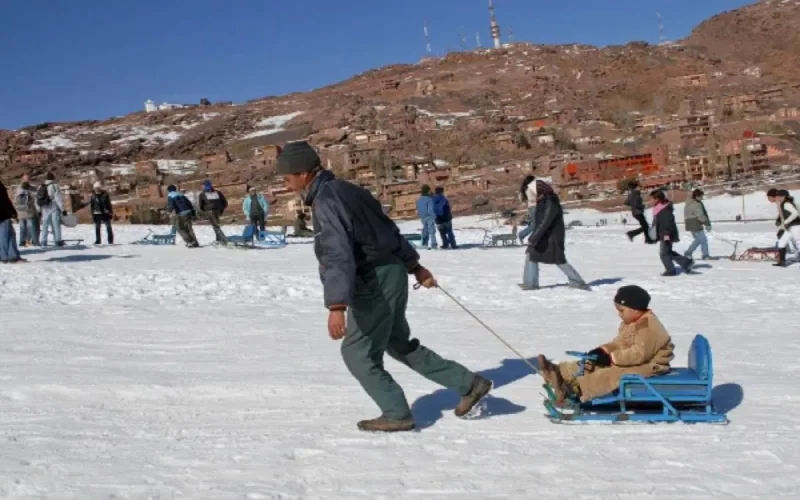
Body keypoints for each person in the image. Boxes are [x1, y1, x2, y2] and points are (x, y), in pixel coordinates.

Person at [276, 140, 491, 432]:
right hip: (393, 273)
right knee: (398, 343)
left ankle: (396, 412)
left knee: (357, 353)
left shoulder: (326, 201)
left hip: (373, 280)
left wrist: (336, 305)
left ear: (302, 173)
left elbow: (336, 254)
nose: (288, 186)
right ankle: (469, 384)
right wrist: (413, 266)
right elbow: (388, 230)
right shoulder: (350, 190)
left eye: (288, 179)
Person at [537, 285, 674, 406]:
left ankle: (575, 389)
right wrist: (602, 350)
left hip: (651, 365)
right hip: (634, 360)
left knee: (613, 373)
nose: (619, 314)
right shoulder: (632, 323)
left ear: (636, 310)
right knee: (592, 362)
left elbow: (638, 354)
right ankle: (559, 372)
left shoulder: (648, 328)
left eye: (622, 310)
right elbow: (619, 343)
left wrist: (611, 358)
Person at [521, 180, 589, 290]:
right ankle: (530, 283)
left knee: (559, 260)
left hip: (553, 237)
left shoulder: (551, 202)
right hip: (543, 235)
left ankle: (578, 281)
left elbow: (545, 222)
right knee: (531, 254)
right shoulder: (542, 202)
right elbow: (538, 222)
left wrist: (534, 236)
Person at [649, 189, 693, 276]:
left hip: (666, 234)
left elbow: (667, 223)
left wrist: (666, 235)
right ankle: (686, 262)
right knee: (667, 252)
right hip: (664, 233)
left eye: (651, 199)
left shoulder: (663, 209)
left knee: (664, 253)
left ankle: (671, 271)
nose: (650, 201)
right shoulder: (659, 208)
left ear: (657, 199)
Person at [772, 189, 800, 267]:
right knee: (782, 243)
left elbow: (795, 213)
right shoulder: (784, 203)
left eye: (779, 196)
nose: (778, 197)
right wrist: (782, 227)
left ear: (784, 196)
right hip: (790, 227)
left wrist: (786, 222)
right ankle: (782, 262)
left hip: (796, 226)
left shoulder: (786, 203)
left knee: (798, 243)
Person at [36, 172, 65, 247]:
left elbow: (38, 199)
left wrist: (38, 210)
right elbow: (58, 198)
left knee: (45, 224)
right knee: (56, 224)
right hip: (53, 206)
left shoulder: (41, 187)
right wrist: (63, 209)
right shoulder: (55, 186)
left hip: (44, 207)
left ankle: (43, 241)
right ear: (53, 178)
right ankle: (58, 240)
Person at [0, 180, 24, 263]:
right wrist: (10, 212)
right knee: (5, 236)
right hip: (3, 214)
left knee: (10, 234)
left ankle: (12, 255)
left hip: (4, 214)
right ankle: (5, 256)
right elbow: (3, 201)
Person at [683, 188, 711, 260]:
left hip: (689, 223)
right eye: (701, 196)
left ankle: (688, 252)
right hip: (695, 223)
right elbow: (700, 215)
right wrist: (707, 223)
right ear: (697, 196)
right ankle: (705, 255)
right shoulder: (696, 204)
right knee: (703, 239)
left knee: (699, 239)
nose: (702, 198)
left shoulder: (689, 202)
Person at [198, 180, 228, 244]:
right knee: (217, 224)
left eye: (203, 185)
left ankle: (222, 239)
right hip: (218, 210)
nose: (202, 186)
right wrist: (221, 209)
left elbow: (201, 205)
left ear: (204, 186)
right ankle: (219, 238)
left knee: (215, 225)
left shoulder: (202, 194)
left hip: (210, 211)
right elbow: (225, 202)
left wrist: (205, 210)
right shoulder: (217, 192)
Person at [14, 179, 38, 247]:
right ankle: (35, 242)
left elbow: (15, 202)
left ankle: (22, 242)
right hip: (28, 212)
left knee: (22, 228)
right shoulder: (30, 192)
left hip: (20, 212)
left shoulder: (18, 192)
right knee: (31, 227)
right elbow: (34, 201)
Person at [416, 184, 438, 249]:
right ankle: (434, 244)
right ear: (427, 191)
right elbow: (430, 210)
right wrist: (434, 216)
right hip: (429, 216)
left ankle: (424, 243)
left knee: (425, 230)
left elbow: (418, 209)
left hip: (422, 217)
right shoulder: (429, 199)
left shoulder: (419, 200)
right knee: (432, 231)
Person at [517, 175, 537, 243]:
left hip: (532, 208)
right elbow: (531, 198)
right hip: (534, 207)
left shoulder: (525, 188)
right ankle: (522, 234)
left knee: (537, 225)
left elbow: (520, 197)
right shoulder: (530, 188)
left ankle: (534, 239)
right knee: (535, 225)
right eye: (534, 180)